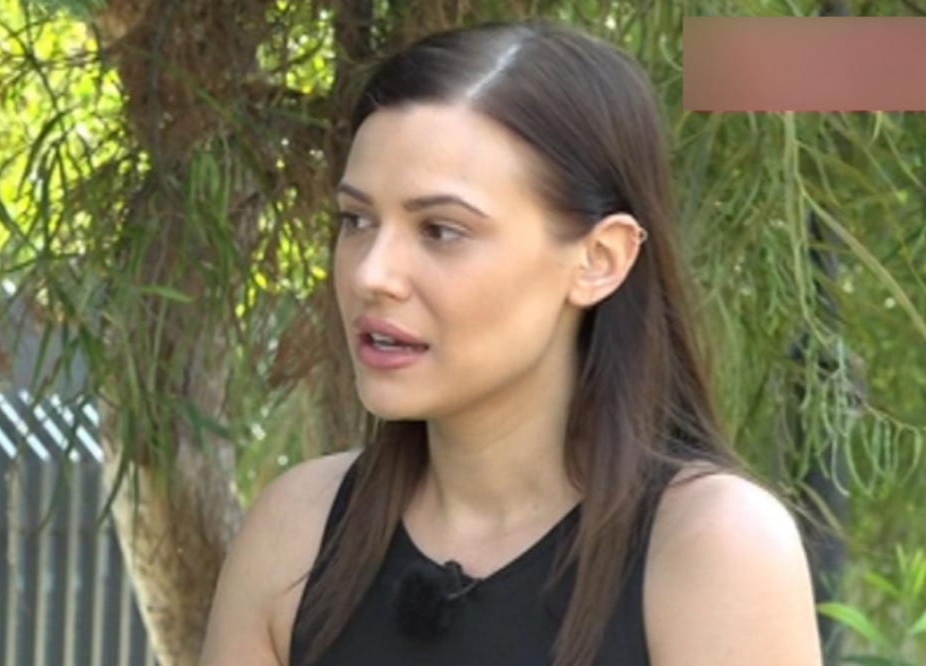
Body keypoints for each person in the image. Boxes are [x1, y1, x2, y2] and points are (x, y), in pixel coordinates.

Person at [198, 18, 822, 666]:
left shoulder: (710, 547)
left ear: (599, 260)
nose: (371, 275)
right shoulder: (296, 531)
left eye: (441, 230)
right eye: (356, 220)